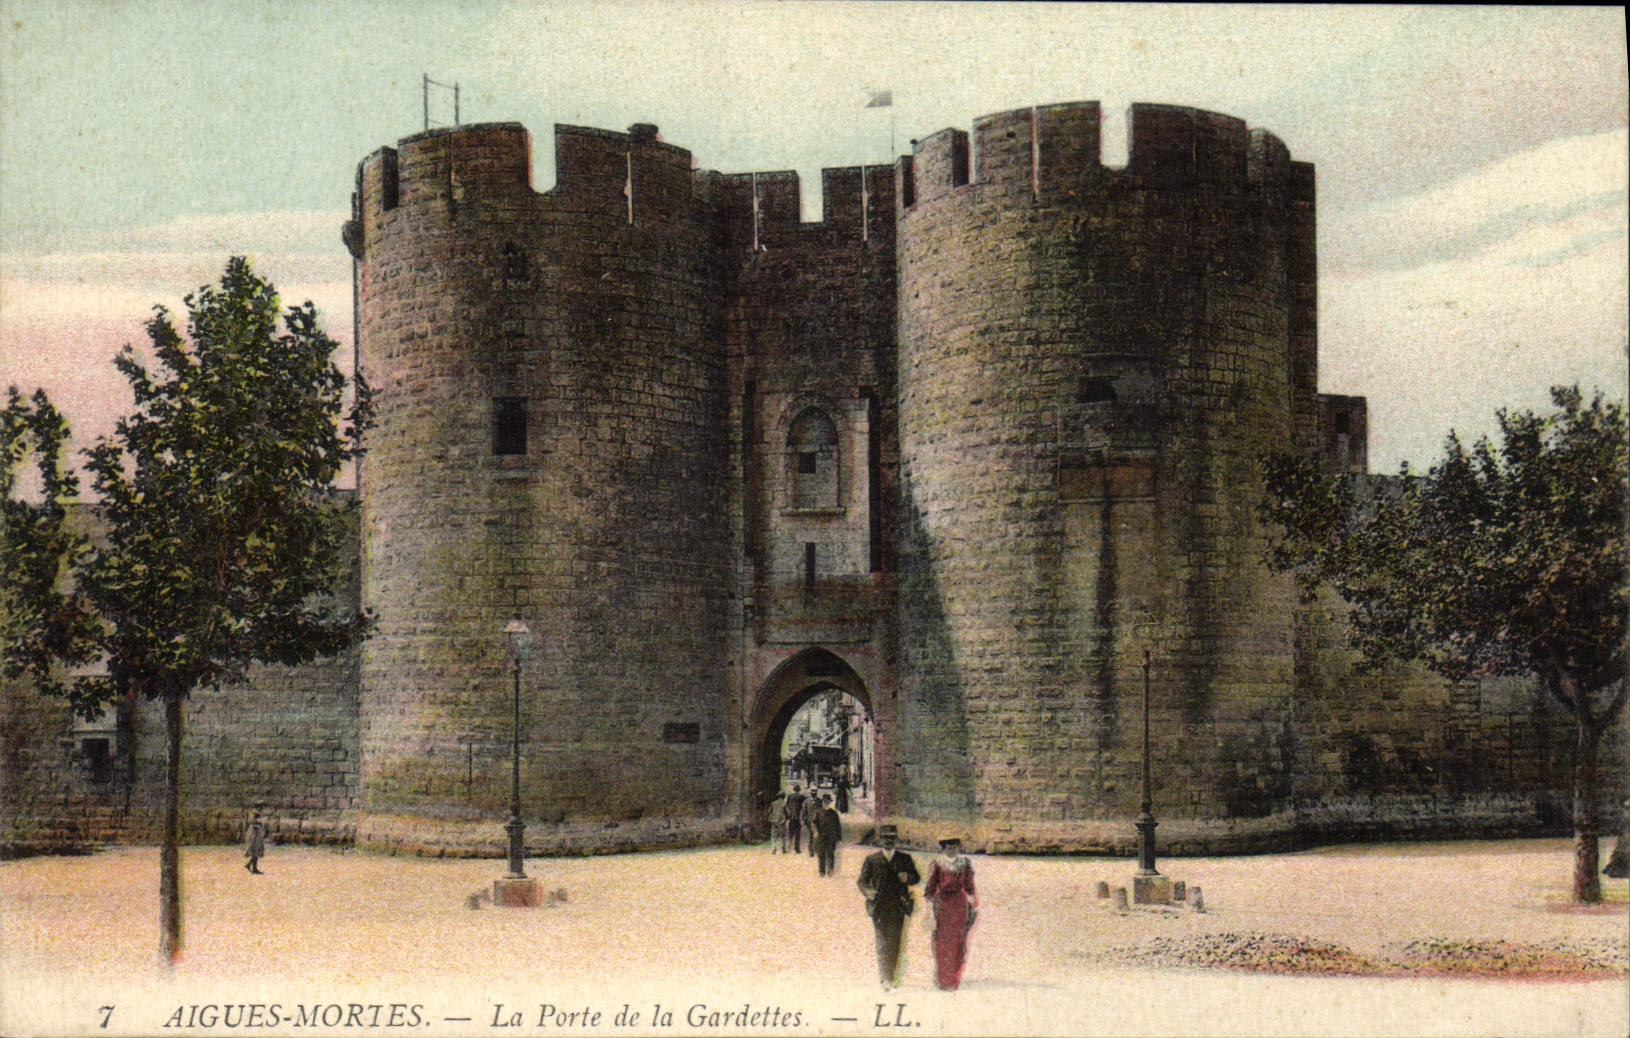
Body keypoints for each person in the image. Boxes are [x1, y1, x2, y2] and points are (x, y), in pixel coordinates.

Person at [857, 823, 920, 989]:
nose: (888, 842)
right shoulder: (872, 860)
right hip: (879, 906)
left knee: (895, 942)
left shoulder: (904, 859)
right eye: (885, 838)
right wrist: (867, 891)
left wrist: (908, 878)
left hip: (898, 905)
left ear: (896, 840)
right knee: (882, 942)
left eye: (892, 839)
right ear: (880, 840)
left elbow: (916, 878)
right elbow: (862, 881)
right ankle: (885, 978)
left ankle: (891, 975)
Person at [924, 836, 978, 990]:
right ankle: (943, 980)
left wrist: (972, 901)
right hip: (942, 906)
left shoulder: (965, 864)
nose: (952, 850)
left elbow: (969, 886)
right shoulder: (937, 864)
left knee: (958, 942)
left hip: (959, 906)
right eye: (949, 847)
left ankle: (954, 979)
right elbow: (931, 887)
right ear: (944, 849)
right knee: (942, 943)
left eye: (955, 847)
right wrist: (929, 908)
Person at [813, 794, 842, 876]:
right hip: (821, 836)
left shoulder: (834, 813)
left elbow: (838, 825)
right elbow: (814, 823)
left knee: (830, 853)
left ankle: (830, 870)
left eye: (828, 802)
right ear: (822, 802)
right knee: (821, 854)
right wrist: (815, 831)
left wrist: (839, 837)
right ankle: (821, 871)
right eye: (825, 802)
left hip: (831, 837)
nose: (826, 804)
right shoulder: (817, 812)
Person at [783, 785, 808, 854]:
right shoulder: (800, 797)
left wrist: (788, 814)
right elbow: (807, 798)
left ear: (793, 789)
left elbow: (786, 805)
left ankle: (789, 847)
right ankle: (797, 849)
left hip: (791, 817)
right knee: (797, 833)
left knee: (790, 833)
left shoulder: (790, 796)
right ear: (799, 790)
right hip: (797, 817)